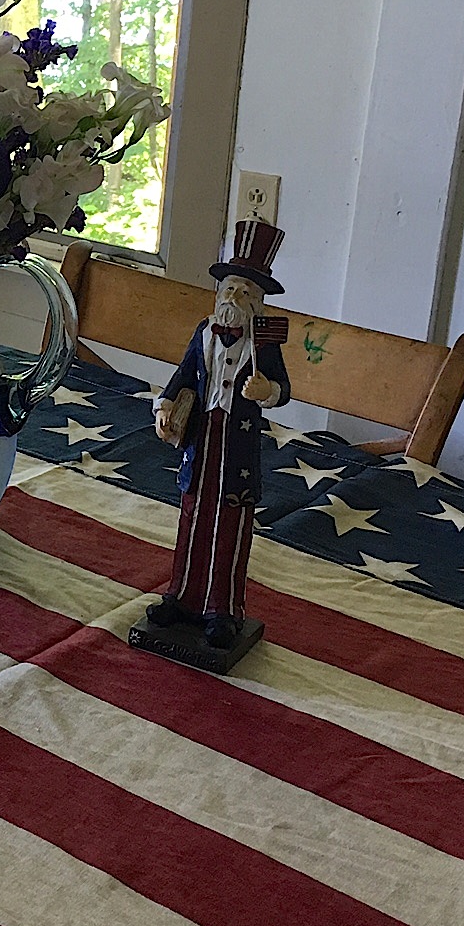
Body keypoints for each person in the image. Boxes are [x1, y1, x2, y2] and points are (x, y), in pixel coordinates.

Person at [147, 219, 292, 650]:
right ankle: (181, 595)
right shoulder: (205, 332)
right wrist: (166, 404)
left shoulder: (265, 343)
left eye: (246, 293)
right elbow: (184, 374)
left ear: (259, 302)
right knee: (192, 520)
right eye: (230, 288)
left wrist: (268, 391)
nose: (235, 298)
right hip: (201, 441)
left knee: (229, 528)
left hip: (237, 446)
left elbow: (283, 389)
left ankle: (222, 608)